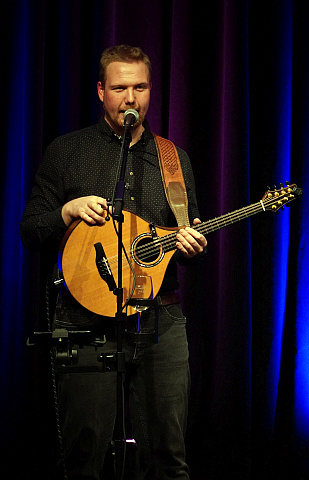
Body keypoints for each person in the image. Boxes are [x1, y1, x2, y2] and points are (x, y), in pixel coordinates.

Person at [20, 45, 207, 480]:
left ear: (150, 91)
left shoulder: (173, 159)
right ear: (101, 91)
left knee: (169, 458)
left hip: (160, 320)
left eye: (139, 87)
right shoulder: (67, 152)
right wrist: (67, 211)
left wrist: (194, 246)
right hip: (84, 320)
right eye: (120, 87)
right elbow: (31, 231)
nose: (130, 98)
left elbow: (186, 240)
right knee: (83, 457)